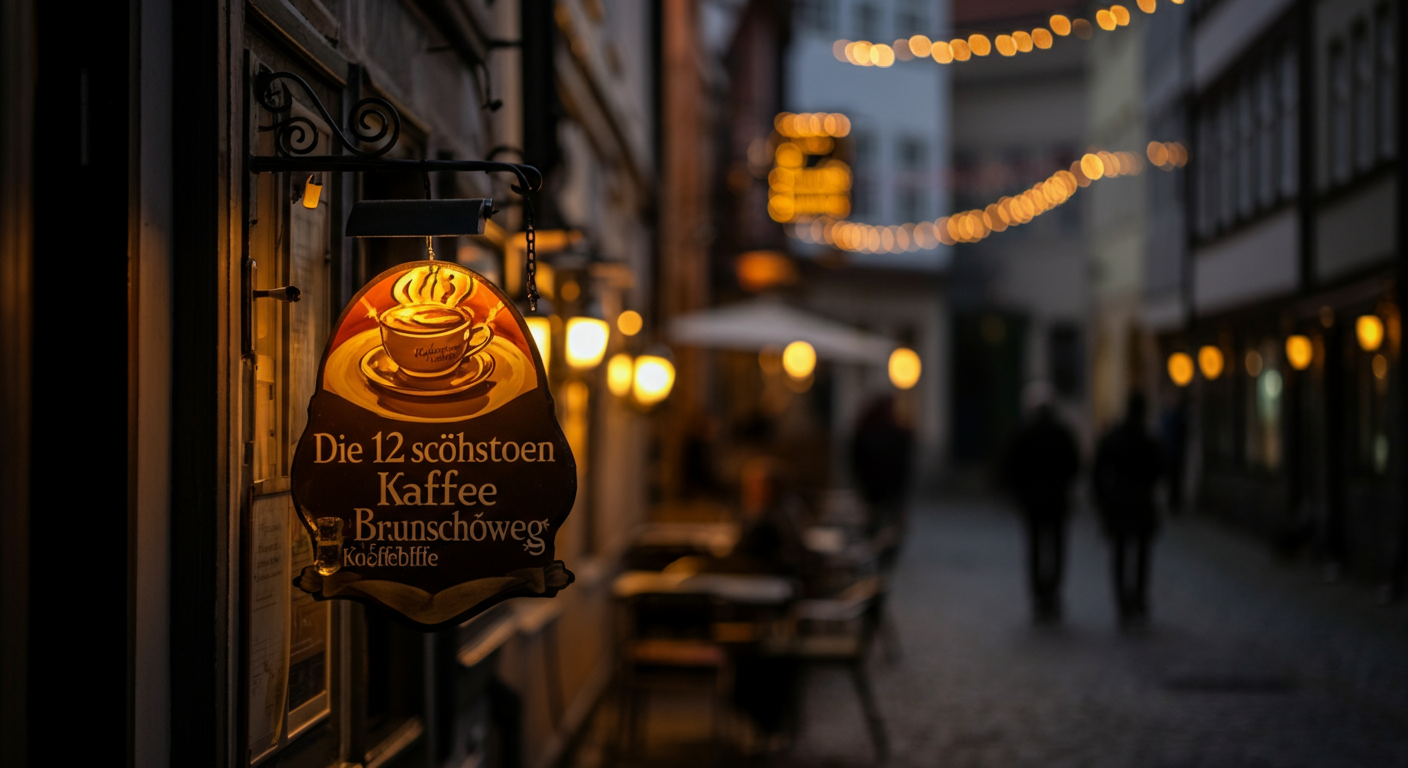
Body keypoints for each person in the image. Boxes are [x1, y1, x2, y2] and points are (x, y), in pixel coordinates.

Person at [1001, 382, 1080, 623]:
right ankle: (1052, 596)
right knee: (1056, 550)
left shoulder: (1024, 434)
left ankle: (1039, 598)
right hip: (1056, 502)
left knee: (1035, 550)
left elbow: (1010, 468)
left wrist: (1019, 493)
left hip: (1033, 503)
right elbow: (1074, 465)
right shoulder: (1062, 433)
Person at [1092, 392, 1164, 626]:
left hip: (1120, 505)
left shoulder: (1114, 438)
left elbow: (1098, 472)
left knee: (1121, 555)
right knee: (1141, 556)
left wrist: (1104, 500)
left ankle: (1123, 602)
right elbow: (1159, 472)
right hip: (1141, 504)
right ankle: (1139, 600)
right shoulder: (1148, 439)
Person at [850, 396, 915, 536]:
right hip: (885, 489)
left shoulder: (866, 430)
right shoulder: (893, 432)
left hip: (874, 488)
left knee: (876, 524)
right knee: (886, 525)